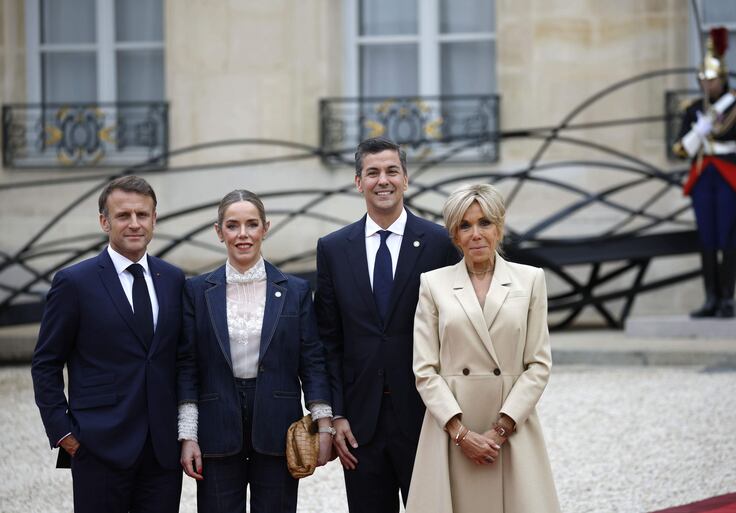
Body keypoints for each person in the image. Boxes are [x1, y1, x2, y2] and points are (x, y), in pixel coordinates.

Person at [314, 137, 459, 513]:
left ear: (406, 179)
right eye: (373, 172)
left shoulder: (439, 243)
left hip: (425, 416)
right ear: (358, 182)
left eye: (392, 171)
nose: (383, 180)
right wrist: (336, 414)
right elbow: (327, 340)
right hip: (359, 424)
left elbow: (454, 331)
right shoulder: (333, 249)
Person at [31, 175, 185, 513]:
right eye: (123, 215)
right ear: (104, 221)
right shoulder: (74, 283)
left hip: (162, 450)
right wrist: (62, 431)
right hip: (97, 445)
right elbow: (46, 363)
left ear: (154, 219)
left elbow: (181, 358)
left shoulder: (173, 279)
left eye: (142, 215)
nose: (134, 224)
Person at [406, 183, 560, 513]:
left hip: (512, 427)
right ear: (454, 235)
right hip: (452, 431)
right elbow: (424, 369)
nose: (476, 234)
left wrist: (502, 428)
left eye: (485, 223)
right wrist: (461, 434)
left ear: (500, 228)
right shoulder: (433, 284)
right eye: (465, 225)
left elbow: (538, 364)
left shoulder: (530, 280)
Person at [176, 189, 333, 513]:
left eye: (251, 224)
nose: (243, 234)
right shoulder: (196, 291)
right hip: (217, 427)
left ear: (265, 228)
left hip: (277, 427)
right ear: (219, 232)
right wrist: (188, 434)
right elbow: (188, 365)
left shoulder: (295, 291)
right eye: (233, 226)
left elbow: (313, 361)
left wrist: (323, 423)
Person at [672, 26, 736, 318]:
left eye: (710, 80)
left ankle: (726, 299)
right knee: (707, 239)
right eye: (703, 80)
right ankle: (711, 297)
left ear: (722, 79)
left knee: (728, 239)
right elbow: (681, 149)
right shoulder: (694, 109)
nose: (706, 85)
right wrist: (698, 132)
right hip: (703, 176)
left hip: (728, 176)